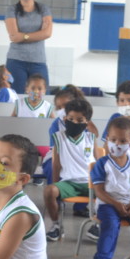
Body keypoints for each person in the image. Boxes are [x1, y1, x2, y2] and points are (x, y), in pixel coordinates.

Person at [90, 117, 130, 259]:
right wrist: (117, 204)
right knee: (111, 225)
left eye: (122, 140)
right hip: (108, 204)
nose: (117, 144)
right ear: (107, 139)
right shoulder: (101, 164)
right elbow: (99, 191)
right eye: (113, 140)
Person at [44, 98, 96, 242]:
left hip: (89, 182)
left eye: (80, 120)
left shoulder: (91, 138)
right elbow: (56, 165)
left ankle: (97, 224)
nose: (74, 123)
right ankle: (56, 225)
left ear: (87, 122)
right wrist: (55, 186)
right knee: (49, 191)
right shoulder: (58, 137)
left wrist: (100, 183)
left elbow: (99, 164)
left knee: (106, 191)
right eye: (71, 118)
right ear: (65, 118)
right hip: (68, 182)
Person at [4, 0, 53, 95]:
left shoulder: (43, 9)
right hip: (16, 61)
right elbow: (14, 36)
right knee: (16, 96)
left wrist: (24, 36)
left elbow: (47, 33)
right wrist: (37, 34)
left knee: (41, 97)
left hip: (38, 61)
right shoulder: (12, 10)